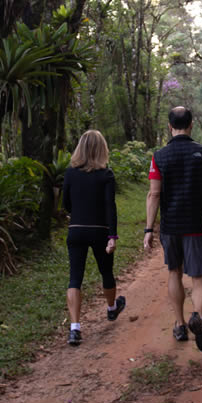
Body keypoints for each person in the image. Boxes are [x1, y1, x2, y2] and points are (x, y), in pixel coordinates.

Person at [143, 106, 202, 353]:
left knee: (174, 272)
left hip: (170, 226)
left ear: (170, 126)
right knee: (199, 277)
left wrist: (148, 230)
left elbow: (154, 193)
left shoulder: (159, 156)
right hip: (195, 225)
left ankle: (179, 324)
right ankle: (197, 315)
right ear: (191, 125)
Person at [61, 130, 126, 346]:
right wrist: (112, 236)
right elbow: (111, 207)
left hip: (76, 230)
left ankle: (75, 329)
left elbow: (65, 204)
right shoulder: (106, 174)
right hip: (100, 230)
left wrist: (77, 213)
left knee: (74, 278)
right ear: (102, 149)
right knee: (106, 271)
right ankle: (111, 308)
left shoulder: (70, 173)